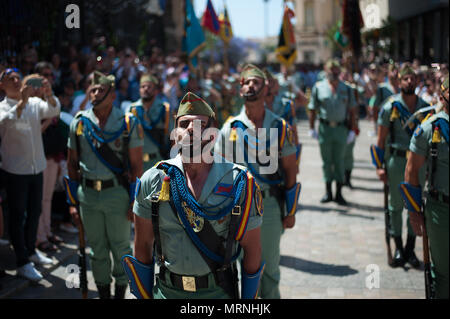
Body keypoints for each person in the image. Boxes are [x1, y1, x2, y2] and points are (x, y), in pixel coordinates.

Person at [124, 92, 264, 299]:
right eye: (184, 124)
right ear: (174, 133)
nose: (191, 128)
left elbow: (252, 251)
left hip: (217, 293)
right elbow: (143, 246)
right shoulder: (152, 179)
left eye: (200, 124)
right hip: (167, 292)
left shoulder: (239, 182)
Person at [215, 64, 300, 299]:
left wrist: (290, 211)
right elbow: (219, 173)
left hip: (270, 206)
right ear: (240, 89)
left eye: (256, 82)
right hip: (238, 207)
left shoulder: (279, 127)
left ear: (266, 89)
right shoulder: (230, 128)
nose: (250, 86)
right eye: (246, 82)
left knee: (270, 270)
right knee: (245, 270)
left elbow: (291, 170)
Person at [66, 71, 143, 299]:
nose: (95, 93)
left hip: (117, 194)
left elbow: (137, 167)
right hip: (88, 195)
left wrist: (134, 201)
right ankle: (103, 294)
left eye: (101, 90)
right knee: (96, 250)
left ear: (112, 95)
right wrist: (72, 203)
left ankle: (120, 293)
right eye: (92, 89)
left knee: (121, 248)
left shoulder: (127, 122)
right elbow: (71, 165)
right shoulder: (80, 122)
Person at [0, 68, 61, 281]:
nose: (16, 81)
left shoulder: (34, 103)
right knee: (18, 216)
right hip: (16, 170)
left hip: (37, 167)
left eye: (18, 77)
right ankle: (22, 262)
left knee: (34, 211)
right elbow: (6, 122)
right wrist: (22, 103)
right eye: (10, 79)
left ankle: (31, 251)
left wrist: (49, 92)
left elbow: (53, 111)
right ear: (2, 86)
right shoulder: (3, 108)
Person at [371, 63, 431, 268]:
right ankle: (397, 247)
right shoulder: (391, 106)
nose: (409, 81)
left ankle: (410, 248)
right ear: (399, 82)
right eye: (405, 78)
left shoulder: (425, 107)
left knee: (414, 205)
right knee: (395, 205)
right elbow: (381, 139)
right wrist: (380, 166)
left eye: (413, 78)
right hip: (396, 161)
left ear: (417, 81)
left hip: (418, 163)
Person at [400, 75, 449, 298]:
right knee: (444, 275)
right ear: (442, 95)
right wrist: (414, 212)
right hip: (441, 209)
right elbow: (411, 171)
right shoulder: (431, 127)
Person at [308, 59, 358, 205]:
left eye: (337, 71)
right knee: (326, 161)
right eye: (332, 71)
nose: (334, 74)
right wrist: (311, 128)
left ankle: (339, 193)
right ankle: (328, 192)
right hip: (325, 129)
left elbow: (352, 110)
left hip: (341, 129)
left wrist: (352, 130)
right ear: (326, 71)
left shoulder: (347, 88)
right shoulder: (319, 87)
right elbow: (312, 109)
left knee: (339, 161)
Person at [127, 74, 173, 172]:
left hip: (159, 161)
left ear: (156, 91)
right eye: (143, 87)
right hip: (138, 163)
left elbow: (172, 137)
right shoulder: (132, 109)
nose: (145, 89)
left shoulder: (165, 109)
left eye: (149, 87)